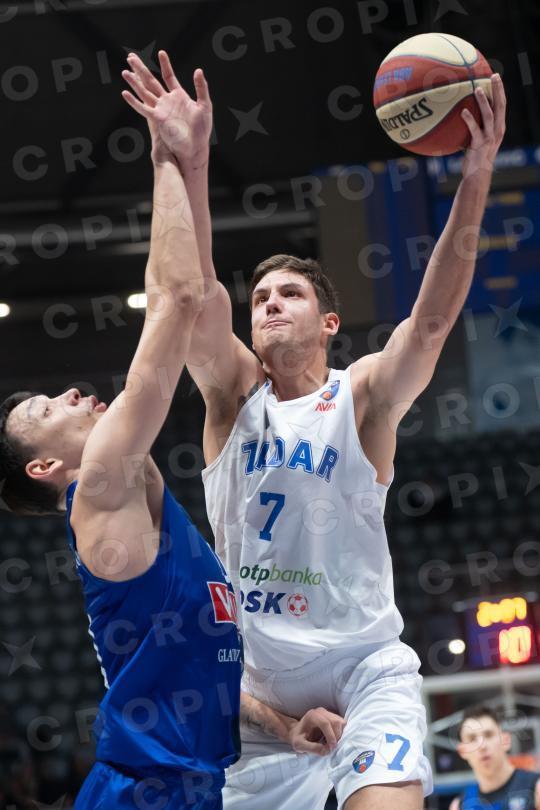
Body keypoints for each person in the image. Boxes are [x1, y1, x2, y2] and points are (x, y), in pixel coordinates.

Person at [122, 52, 506, 810]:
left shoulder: (361, 396)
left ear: (329, 323)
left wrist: (474, 175)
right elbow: (195, 295)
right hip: (259, 692)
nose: (269, 302)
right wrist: (189, 161)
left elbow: (431, 323)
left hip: (365, 670)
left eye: (289, 294)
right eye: (261, 296)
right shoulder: (232, 396)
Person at [0, 117, 242, 808]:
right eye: (48, 409)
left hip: (183, 784)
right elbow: (178, 300)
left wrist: (279, 722)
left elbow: (182, 294)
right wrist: (166, 157)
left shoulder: (135, 482)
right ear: (46, 467)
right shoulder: (101, 484)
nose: (72, 393)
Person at [450, 705, 540, 810]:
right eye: (472, 739)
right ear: (462, 751)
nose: (482, 746)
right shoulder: (459, 805)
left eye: (488, 735)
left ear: (506, 740)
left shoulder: (536, 788)